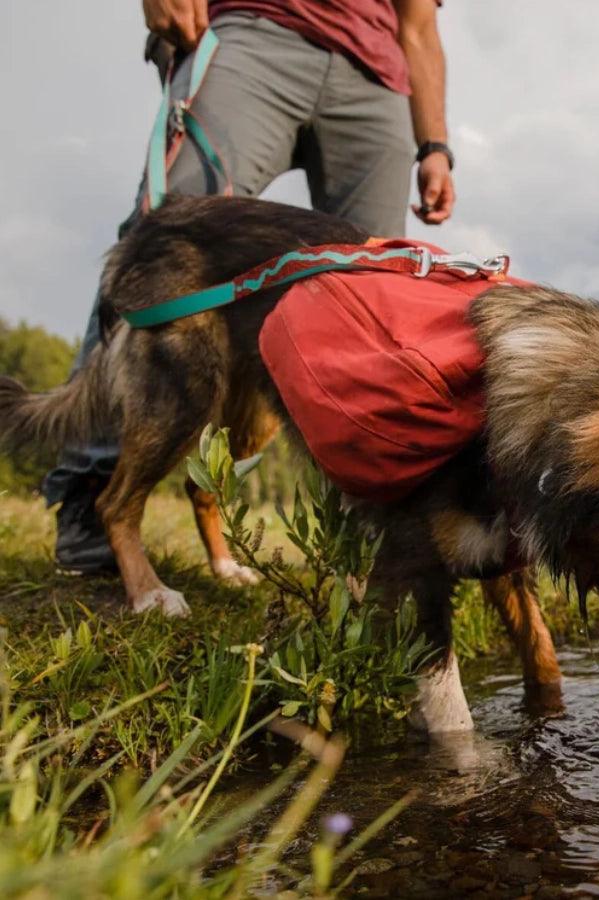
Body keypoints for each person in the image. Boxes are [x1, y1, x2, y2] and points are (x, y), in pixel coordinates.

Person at [45, 0, 456, 573]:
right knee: (166, 243)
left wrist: (435, 146)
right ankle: (95, 492)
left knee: (376, 304)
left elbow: (419, 24)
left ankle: (375, 542)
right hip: (254, 32)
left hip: (377, 75)